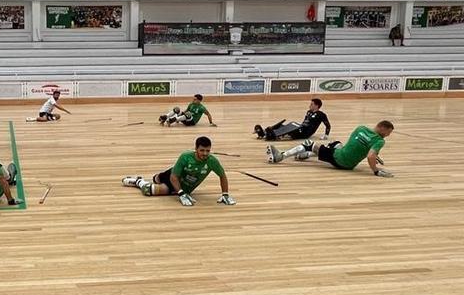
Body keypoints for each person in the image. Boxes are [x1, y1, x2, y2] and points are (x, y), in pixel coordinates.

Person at [122, 136, 236, 206]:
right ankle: (139, 181)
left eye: (208, 151)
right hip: (171, 177)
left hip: (184, 188)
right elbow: (173, 177)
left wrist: (225, 194)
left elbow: (222, 176)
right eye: (202, 150)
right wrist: (181, 194)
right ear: (196, 149)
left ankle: (140, 182)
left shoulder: (212, 161)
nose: (205, 154)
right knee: (153, 183)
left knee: (149, 190)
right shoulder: (185, 156)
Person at [266, 120, 394, 177]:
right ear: (382, 128)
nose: (388, 135)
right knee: (336, 144)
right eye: (388, 132)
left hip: (339, 159)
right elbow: (369, 154)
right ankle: (304, 155)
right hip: (348, 164)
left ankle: (280, 156)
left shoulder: (360, 128)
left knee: (309, 143)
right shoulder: (378, 141)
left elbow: (358, 146)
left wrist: (374, 162)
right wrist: (376, 166)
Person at [254, 98, 331, 141]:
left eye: (311, 104)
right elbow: (304, 122)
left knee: (289, 130)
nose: (309, 105)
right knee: (283, 126)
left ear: (317, 106)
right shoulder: (309, 112)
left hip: (305, 133)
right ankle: (264, 133)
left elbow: (328, 125)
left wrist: (326, 135)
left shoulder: (321, 115)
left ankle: (270, 135)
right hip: (301, 128)